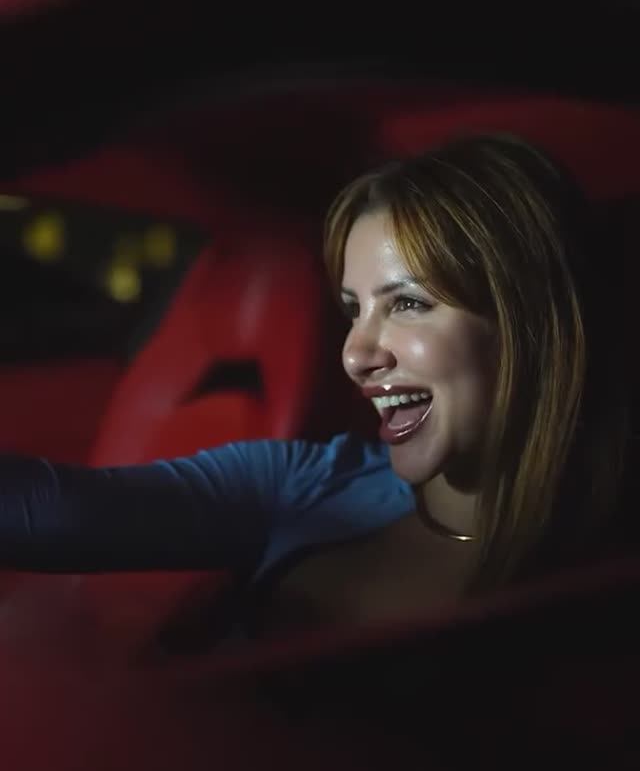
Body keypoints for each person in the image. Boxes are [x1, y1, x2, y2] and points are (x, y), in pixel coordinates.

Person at [0, 134, 634, 641]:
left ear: (530, 326)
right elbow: (59, 513)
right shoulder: (304, 483)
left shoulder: (609, 551)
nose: (355, 354)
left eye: (407, 304)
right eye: (353, 310)